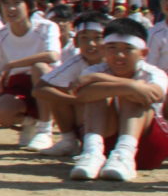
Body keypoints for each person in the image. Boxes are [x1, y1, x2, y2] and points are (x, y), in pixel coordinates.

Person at [65, 18, 167, 182]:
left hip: (149, 146)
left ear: (143, 53)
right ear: (104, 50)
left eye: (128, 49)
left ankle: (125, 154)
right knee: (98, 94)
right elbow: (82, 94)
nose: (119, 55)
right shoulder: (94, 70)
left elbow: (155, 94)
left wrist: (127, 87)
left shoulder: (152, 72)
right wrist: (131, 86)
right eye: (112, 48)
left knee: (133, 96)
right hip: (109, 143)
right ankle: (92, 153)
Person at [0, 0, 63, 151]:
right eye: (6, 3)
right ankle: (30, 121)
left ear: (29, 5)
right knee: (0, 111)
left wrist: (13, 64)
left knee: (39, 68)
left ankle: (45, 130)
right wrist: (1, 111)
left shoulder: (46, 27)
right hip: (19, 86)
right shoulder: (0, 36)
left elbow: (52, 55)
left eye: (17, 3)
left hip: (50, 86)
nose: (11, 9)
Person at [32, 14, 111, 157]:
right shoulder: (77, 62)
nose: (91, 44)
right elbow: (40, 89)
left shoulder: (117, 62)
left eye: (97, 38)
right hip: (85, 121)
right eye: (84, 38)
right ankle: (69, 141)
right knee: (56, 91)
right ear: (75, 42)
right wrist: (75, 101)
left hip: (113, 123)